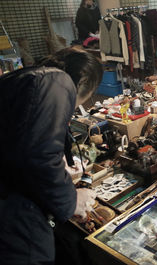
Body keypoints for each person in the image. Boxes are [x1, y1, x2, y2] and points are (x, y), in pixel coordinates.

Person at [0, 47, 103, 265]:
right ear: (85, 83)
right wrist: (73, 199)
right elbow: (39, 155)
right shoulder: (57, 81)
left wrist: (61, 167)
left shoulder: (26, 79)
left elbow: (23, 146)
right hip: (14, 216)